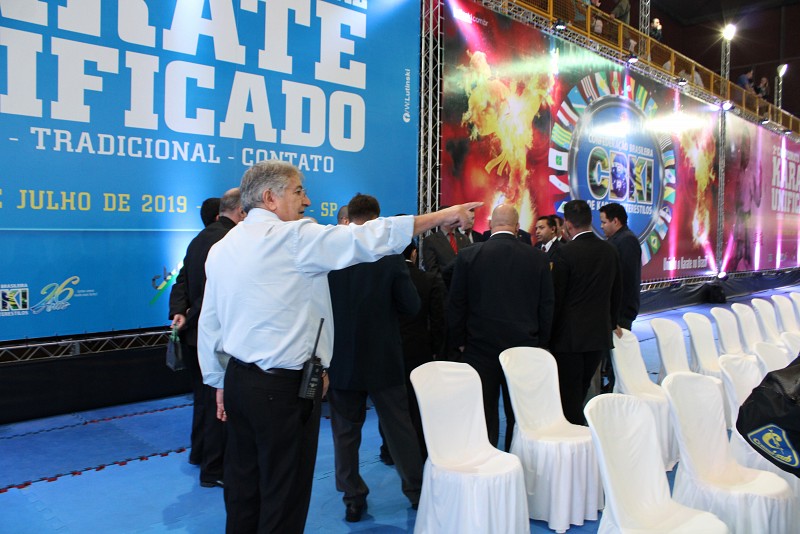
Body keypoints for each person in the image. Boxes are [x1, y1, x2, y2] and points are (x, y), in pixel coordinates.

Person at [197, 160, 480, 534]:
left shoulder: (223, 247)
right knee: (284, 494)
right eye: (298, 191)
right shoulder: (294, 238)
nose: (307, 200)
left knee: (243, 489)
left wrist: (218, 382)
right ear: (269, 197)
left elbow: (210, 324)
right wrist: (443, 215)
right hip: (282, 390)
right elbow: (368, 237)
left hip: (239, 382)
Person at [326, 194, 424, 522]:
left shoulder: (331, 254)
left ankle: (352, 498)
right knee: (399, 428)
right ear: (377, 218)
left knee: (344, 433)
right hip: (383, 358)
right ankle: (416, 491)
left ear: (349, 218)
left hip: (341, 358)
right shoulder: (389, 255)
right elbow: (412, 306)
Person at [448, 204, 554, 450]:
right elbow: (547, 305)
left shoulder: (468, 256)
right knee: (520, 413)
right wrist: (542, 344)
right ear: (517, 227)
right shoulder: (538, 258)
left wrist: (459, 342)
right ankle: (518, 460)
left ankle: (488, 461)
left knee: (483, 413)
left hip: (479, 348)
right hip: (524, 348)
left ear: (490, 225)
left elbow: (456, 304)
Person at [168, 188, 245, 488]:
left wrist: (180, 312)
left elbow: (181, 280)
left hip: (192, 334)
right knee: (219, 404)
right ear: (240, 211)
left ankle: (199, 454)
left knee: (203, 400)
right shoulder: (230, 241)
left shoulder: (199, 238)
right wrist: (193, 314)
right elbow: (215, 293)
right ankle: (214, 470)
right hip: (213, 333)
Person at [550, 200, 621, 426]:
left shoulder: (564, 253)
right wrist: (612, 322)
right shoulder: (610, 250)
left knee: (568, 396)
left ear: (568, 224)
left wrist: (547, 335)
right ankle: (581, 434)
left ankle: (574, 437)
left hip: (568, 339)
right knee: (581, 390)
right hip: (598, 335)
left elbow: (556, 298)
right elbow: (616, 292)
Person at [598, 203, 641, 392]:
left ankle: (620, 395)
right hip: (615, 312)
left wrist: (616, 316)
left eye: (604, 222)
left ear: (615, 221)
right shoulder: (618, 240)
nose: (601, 226)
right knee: (612, 360)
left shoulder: (626, 241)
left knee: (618, 361)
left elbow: (625, 281)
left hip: (620, 313)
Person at [421, 209, 470, 286]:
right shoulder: (431, 241)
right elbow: (432, 270)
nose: (453, 219)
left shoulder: (464, 238)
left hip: (464, 286)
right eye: (449, 216)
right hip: (443, 287)